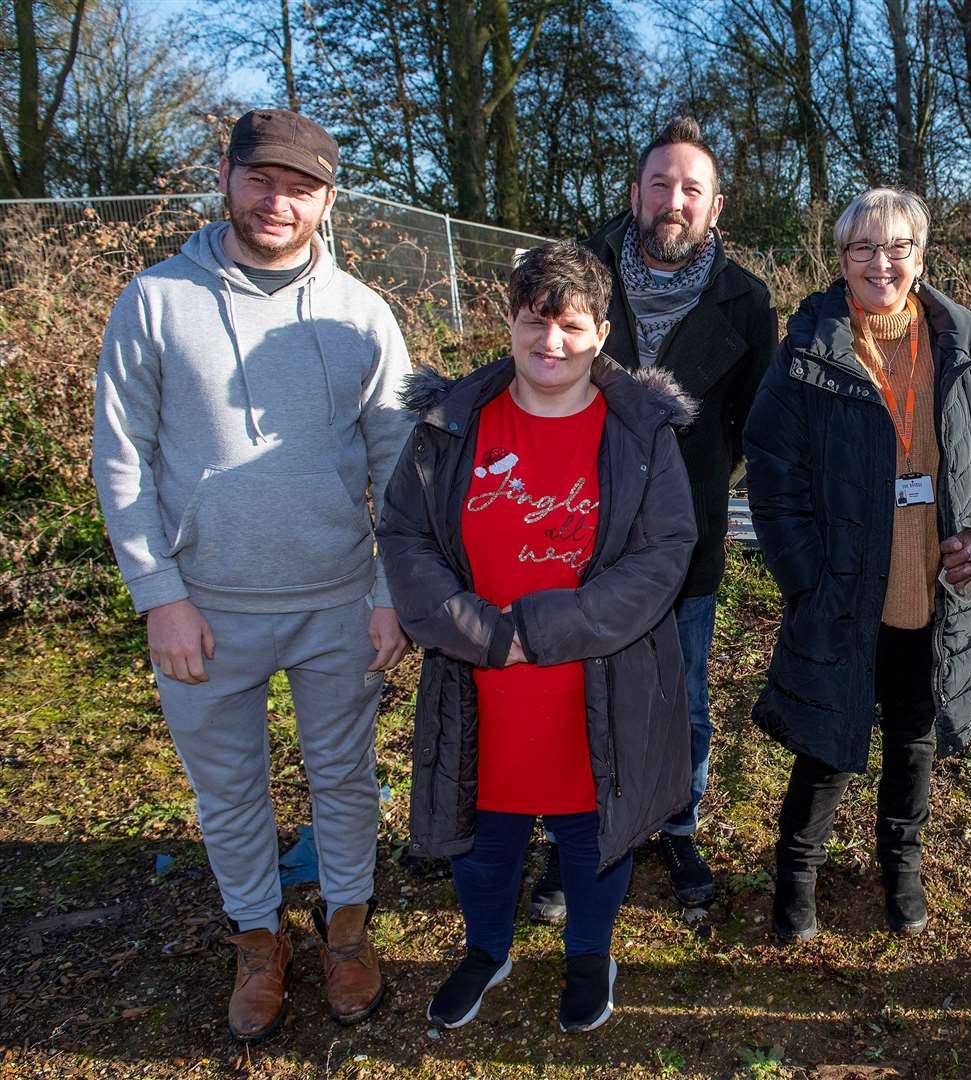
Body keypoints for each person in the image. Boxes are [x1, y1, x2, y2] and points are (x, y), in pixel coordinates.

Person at [91, 109, 410, 1042]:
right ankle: (256, 941)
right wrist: (161, 596)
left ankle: (345, 932)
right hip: (206, 609)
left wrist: (390, 592)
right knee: (228, 788)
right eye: (262, 179)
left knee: (344, 778)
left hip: (336, 602)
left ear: (327, 199)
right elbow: (124, 462)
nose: (279, 201)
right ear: (226, 180)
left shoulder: (360, 312)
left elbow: (397, 465)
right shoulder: (154, 300)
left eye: (301, 186)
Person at [377, 240, 697, 1033]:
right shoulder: (450, 423)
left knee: (595, 826)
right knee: (484, 830)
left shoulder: (640, 432)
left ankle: (591, 952)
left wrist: (540, 630)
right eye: (534, 323)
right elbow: (406, 537)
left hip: (599, 675)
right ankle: (488, 948)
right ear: (509, 322)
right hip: (477, 674)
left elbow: (663, 555)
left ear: (601, 332)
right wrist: (486, 634)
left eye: (570, 325)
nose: (550, 343)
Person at [518, 116, 775, 915]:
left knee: (682, 692)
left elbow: (750, 424)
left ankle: (675, 823)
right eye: (660, 184)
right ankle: (572, 836)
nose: (674, 201)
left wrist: (687, 488)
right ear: (634, 194)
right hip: (572, 533)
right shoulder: (572, 275)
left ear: (716, 206)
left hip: (683, 541)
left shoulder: (747, 301)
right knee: (571, 688)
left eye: (690, 190)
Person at [745, 187, 971, 940]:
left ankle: (903, 869)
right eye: (863, 248)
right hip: (842, 593)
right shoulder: (809, 352)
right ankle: (795, 876)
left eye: (898, 247)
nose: (881, 263)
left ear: (921, 257)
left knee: (914, 741)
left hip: (934, 588)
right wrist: (806, 578)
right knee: (826, 744)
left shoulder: (963, 346)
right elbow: (770, 471)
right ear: (841, 260)